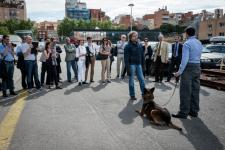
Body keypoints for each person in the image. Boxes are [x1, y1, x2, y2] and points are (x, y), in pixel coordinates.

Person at [172, 27, 203, 119]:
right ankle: (194, 111)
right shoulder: (199, 42)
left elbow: (184, 59)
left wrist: (179, 72)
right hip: (197, 66)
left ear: (186, 33)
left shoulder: (187, 43)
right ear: (194, 33)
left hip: (188, 68)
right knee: (195, 90)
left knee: (185, 91)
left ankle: (183, 112)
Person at [124, 31, 145, 100]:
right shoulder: (127, 46)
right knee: (131, 81)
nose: (136, 37)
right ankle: (132, 95)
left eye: (136, 35)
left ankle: (144, 94)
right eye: (134, 36)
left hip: (139, 64)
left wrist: (143, 66)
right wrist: (128, 69)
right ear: (130, 37)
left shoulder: (140, 45)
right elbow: (126, 59)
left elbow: (142, 56)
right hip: (131, 65)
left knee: (142, 80)